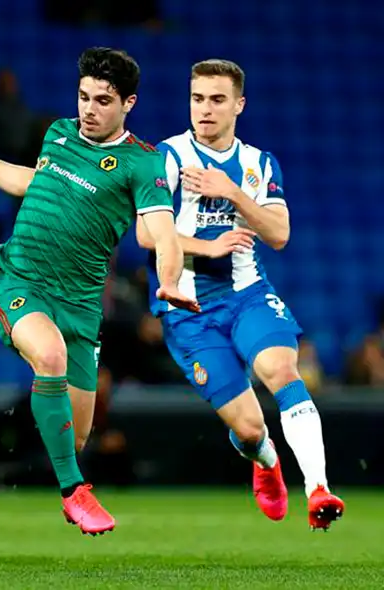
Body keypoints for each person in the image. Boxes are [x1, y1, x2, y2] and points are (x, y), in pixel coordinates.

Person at [0, 47, 198, 536]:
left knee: (74, 438)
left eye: (102, 100)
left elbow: (162, 232)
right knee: (49, 358)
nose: (88, 110)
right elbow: (34, 183)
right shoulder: (58, 133)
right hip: (20, 281)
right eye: (83, 97)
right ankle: (75, 494)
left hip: (79, 308)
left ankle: (65, 472)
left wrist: (168, 281)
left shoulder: (144, 164)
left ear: (128, 104)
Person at [135, 59, 344, 531]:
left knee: (280, 368)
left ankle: (318, 489)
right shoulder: (165, 158)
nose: (205, 110)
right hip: (188, 309)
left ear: (238, 105)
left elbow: (280, 233)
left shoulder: (257, 164)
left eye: (216, 100)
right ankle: (266, 460)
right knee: (249, 428)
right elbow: (148, 234)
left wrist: (233, 194)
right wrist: (208, 246)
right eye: (197, 99)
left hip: (248, 294)